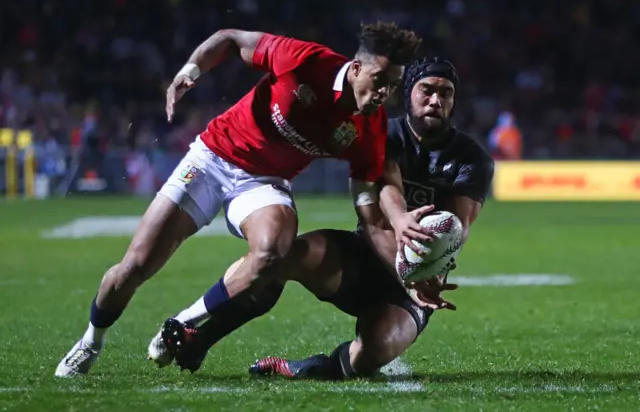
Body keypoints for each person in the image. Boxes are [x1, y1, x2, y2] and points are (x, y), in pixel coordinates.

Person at [55, 23, 425, 377]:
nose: (383, 94)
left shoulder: (370, 126)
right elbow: (230, 38)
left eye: (392, 86)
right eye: (379, 80)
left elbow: (367, 197)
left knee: (272, 252)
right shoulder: (305, 60)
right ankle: (91, 340)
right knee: (134, 267)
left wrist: (404, 264)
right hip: (212, 159)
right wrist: (191, 70)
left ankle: (184, 321)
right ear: (356, 68)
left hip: (263, 183)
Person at [148, 57, 495, 378]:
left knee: (373, 355)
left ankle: (296, 368)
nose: (436, 100)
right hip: (365, 253)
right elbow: (372, 222)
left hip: (416, 284)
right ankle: (199, 340)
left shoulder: (471, 158)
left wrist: (426, 270)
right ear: (409, 94)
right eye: (427, 90)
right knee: (278, 258)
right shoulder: (377, 134)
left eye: (445, 93)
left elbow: (457, 227)